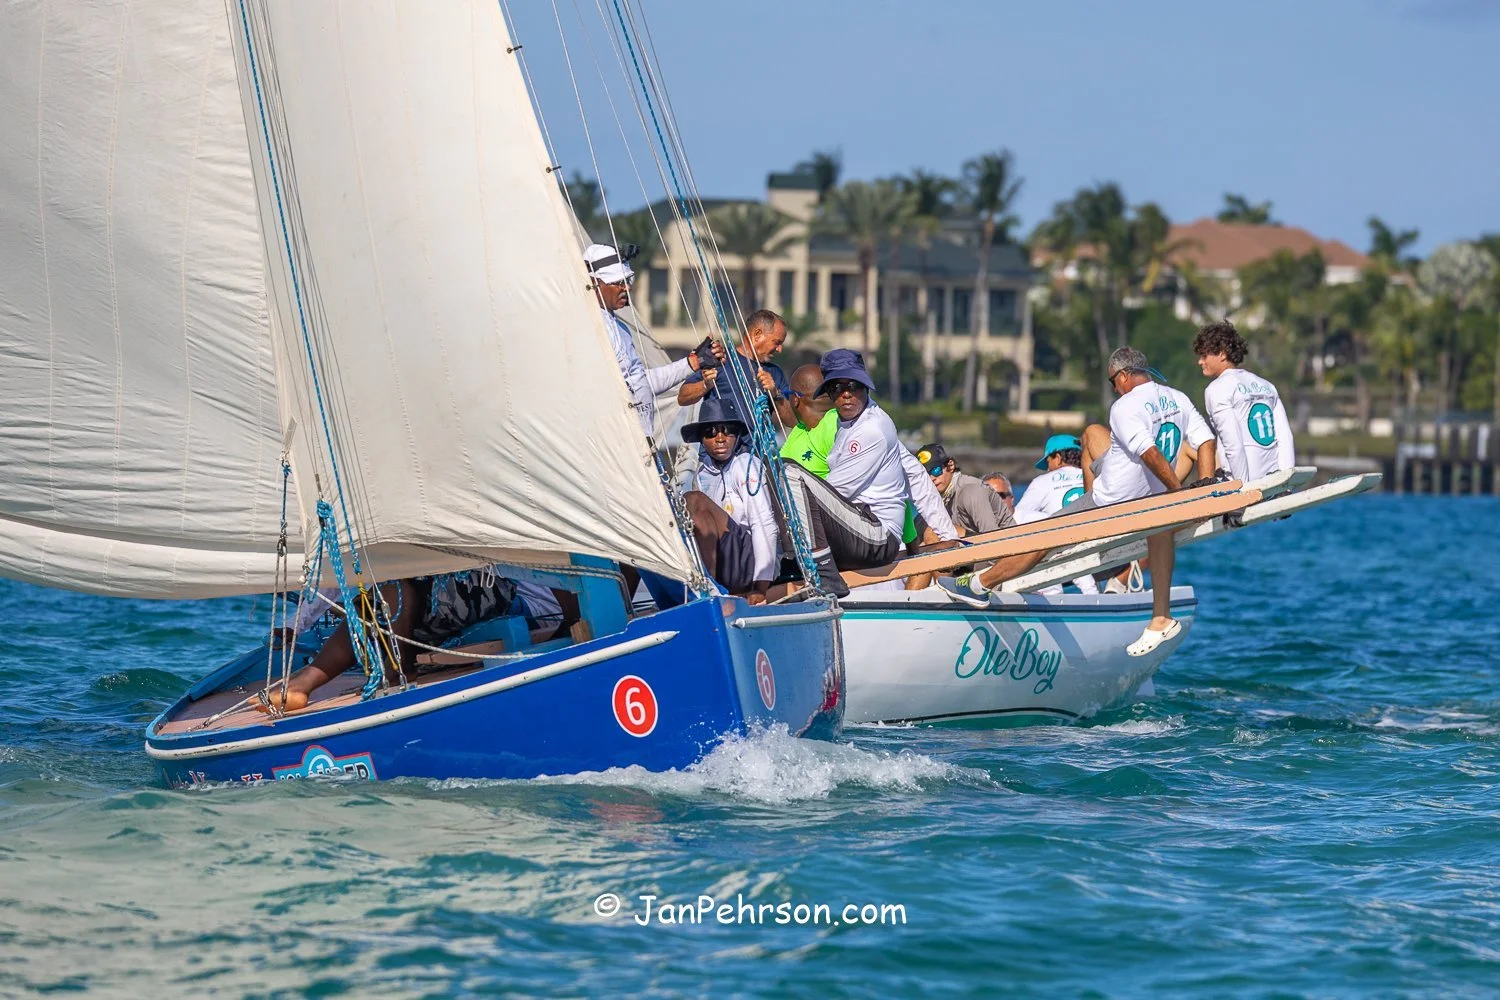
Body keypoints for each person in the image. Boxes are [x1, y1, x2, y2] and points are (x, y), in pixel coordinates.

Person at [1074, 347, 1217, 655]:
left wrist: (1179, 493)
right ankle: (1159, 616)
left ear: (1124, 375)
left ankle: (1091, 525)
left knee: (1038, 537)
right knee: (1091, 434)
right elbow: (1206, 441)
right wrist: (1206, 491)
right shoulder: (1177, 397)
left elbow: (1149, 453)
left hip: (1116, 503)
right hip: (1137, 485)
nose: (1114, 388)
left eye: (1113, 381)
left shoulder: (1124, 405)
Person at [778, 349, 956, 597]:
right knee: (782, 476)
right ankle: (791, 569)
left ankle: (822, 575)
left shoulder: (872, 428)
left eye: (854, 386)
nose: (847, 394)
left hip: (877, 537)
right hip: (857, 530)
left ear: (866, 388)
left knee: (790, 473)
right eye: (837, 388)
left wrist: (949, 543)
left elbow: (836, 493)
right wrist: (947, 533)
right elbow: (915, 474)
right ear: (829, 394)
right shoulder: (846, 424)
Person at [261, 570, 529, 713]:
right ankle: (304, 684)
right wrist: (294, 626)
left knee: (393, 589)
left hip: (484, 589)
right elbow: (335, 573)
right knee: (369, 603)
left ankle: (400, 672)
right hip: (428, 605)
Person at [586, 243, 723, 437]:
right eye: (617, 282)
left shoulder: (621, 329)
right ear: (594, 283)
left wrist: (693, 362)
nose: (627, 287)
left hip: (641, 438)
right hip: (614, 440)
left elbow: (640, 382)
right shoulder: (588, 326)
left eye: (627, 280)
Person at [679, 398, 779, 605]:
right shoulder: (701, 472)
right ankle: (700, 586)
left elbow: (763, 523)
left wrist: (760, 586)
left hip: (750, 564)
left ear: (736, 436)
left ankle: (708, 590)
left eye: (728, 431)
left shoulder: (746, 465)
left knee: (694, 499)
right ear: (701, 439)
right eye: (711, 433)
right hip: (726, 561)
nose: (720, 438)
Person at [1193, 319, 1296, 482]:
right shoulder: (1267, 386)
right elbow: (1285, 438)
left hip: (1242, 482)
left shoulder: (1217, 389)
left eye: (1204, 355)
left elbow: (1233, 444)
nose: (1200, 361)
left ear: (1222, 353)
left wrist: (1242, 489)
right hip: (1274, 480)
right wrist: (1287, 482)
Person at [678, 308, 796, 431]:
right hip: (721, 448)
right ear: (757, 335)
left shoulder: (775, 373)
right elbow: (682, 397)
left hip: (756, 449)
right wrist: (705, 385)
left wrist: (775, 394)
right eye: (777, 342)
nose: (779, 349)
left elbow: (792, 421)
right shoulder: (720, 360)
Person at [1009, 435, 1098, 596]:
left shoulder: (1042, 482)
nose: (1048, 468)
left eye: (1048, 462)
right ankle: (1116, 586)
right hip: (1100, 553)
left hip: (1061, 557)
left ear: (1057, 458)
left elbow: (1017, 520)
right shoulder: (1096, 478)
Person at [916, 443, 1016, 536]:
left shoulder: (971, 492)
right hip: (979, 545)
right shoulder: (933, 502)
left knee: (933, 532)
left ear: (950, 466)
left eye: (936, 470)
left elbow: (993, 540)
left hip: (1011, 547)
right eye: (925, 475)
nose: (932, 478)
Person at [780, 364, 838, 476]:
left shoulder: (834, 425)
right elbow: (777, 467)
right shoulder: (800, 429)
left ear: (796, 399)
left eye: (788, 395)